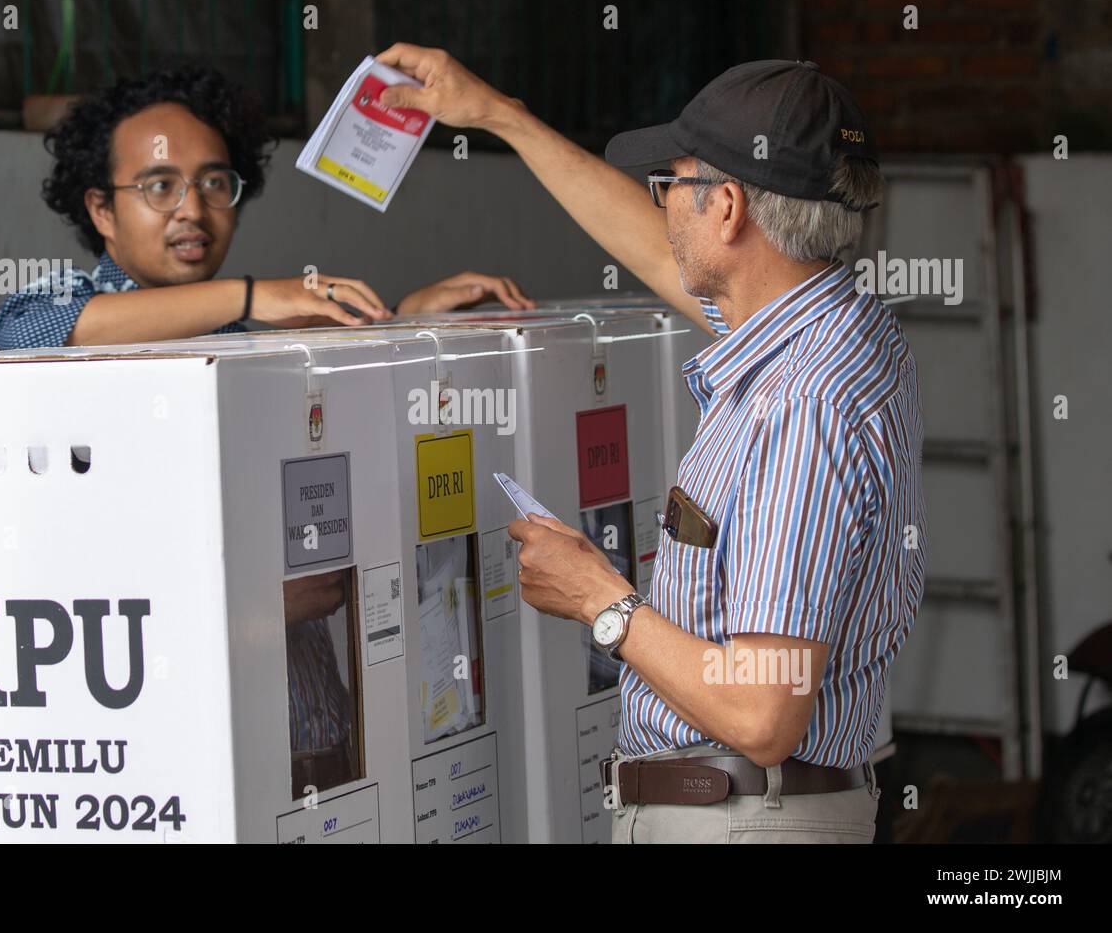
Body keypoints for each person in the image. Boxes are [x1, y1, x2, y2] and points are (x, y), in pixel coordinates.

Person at [376, 45, 925, 844]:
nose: (661, 209)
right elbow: (649, 245)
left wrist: (600, 599)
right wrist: (500, 116)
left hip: (747, 819)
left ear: (728, 207)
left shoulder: (799, 405)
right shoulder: (834, 330)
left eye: (672, 186)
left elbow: (762, 711)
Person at [0, 64, 532, 353]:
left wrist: (409, 317)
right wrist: (254, 294)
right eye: (159, 186)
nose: (192, 210)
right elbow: (37, 334)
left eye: (214, 183)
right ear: (102, 210)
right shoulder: (50, 304)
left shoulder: (235, 337)